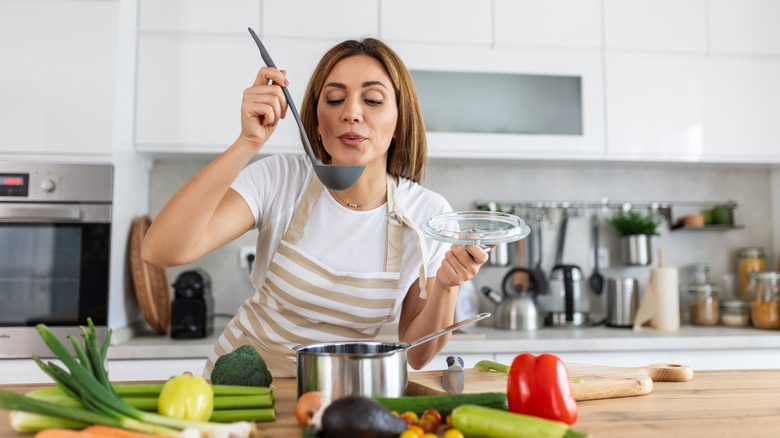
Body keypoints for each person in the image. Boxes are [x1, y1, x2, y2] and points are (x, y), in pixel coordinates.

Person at [141, 38, 489, 378]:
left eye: (372, 99)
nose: (351, 112)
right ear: (318, 125)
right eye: (335, 98)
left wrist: (446, 284)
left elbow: (416, 353)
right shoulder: (280, 179)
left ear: (399, 121)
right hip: (237, 387)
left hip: (335, 393)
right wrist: (247, 143)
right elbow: (160, 250)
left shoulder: (427, 214)